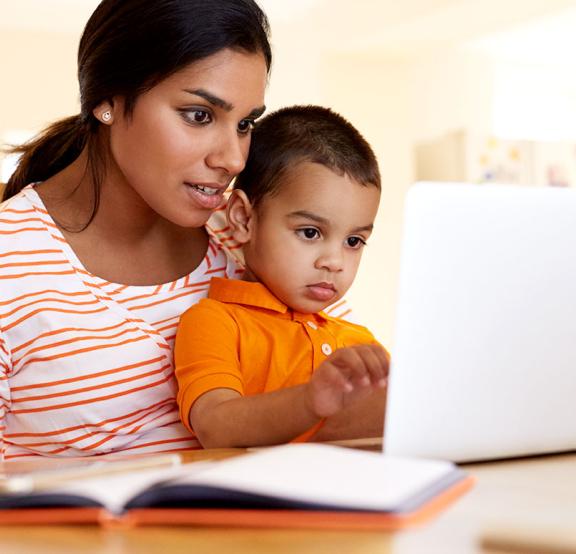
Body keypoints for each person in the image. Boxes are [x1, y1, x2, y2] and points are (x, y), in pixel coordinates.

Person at [0, 0, 272, 460]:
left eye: (245, 124)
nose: (233, 159)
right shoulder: (10, 260)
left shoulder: (249, 239)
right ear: (107, 100)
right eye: (199, 115)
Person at [175, 105, 389, 448]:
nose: (334, 262)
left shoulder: (358, 341)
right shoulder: (215, 321)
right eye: (309, 232)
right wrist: (310, 400)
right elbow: (215, 426)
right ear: (244, 219)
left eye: (353, 241)